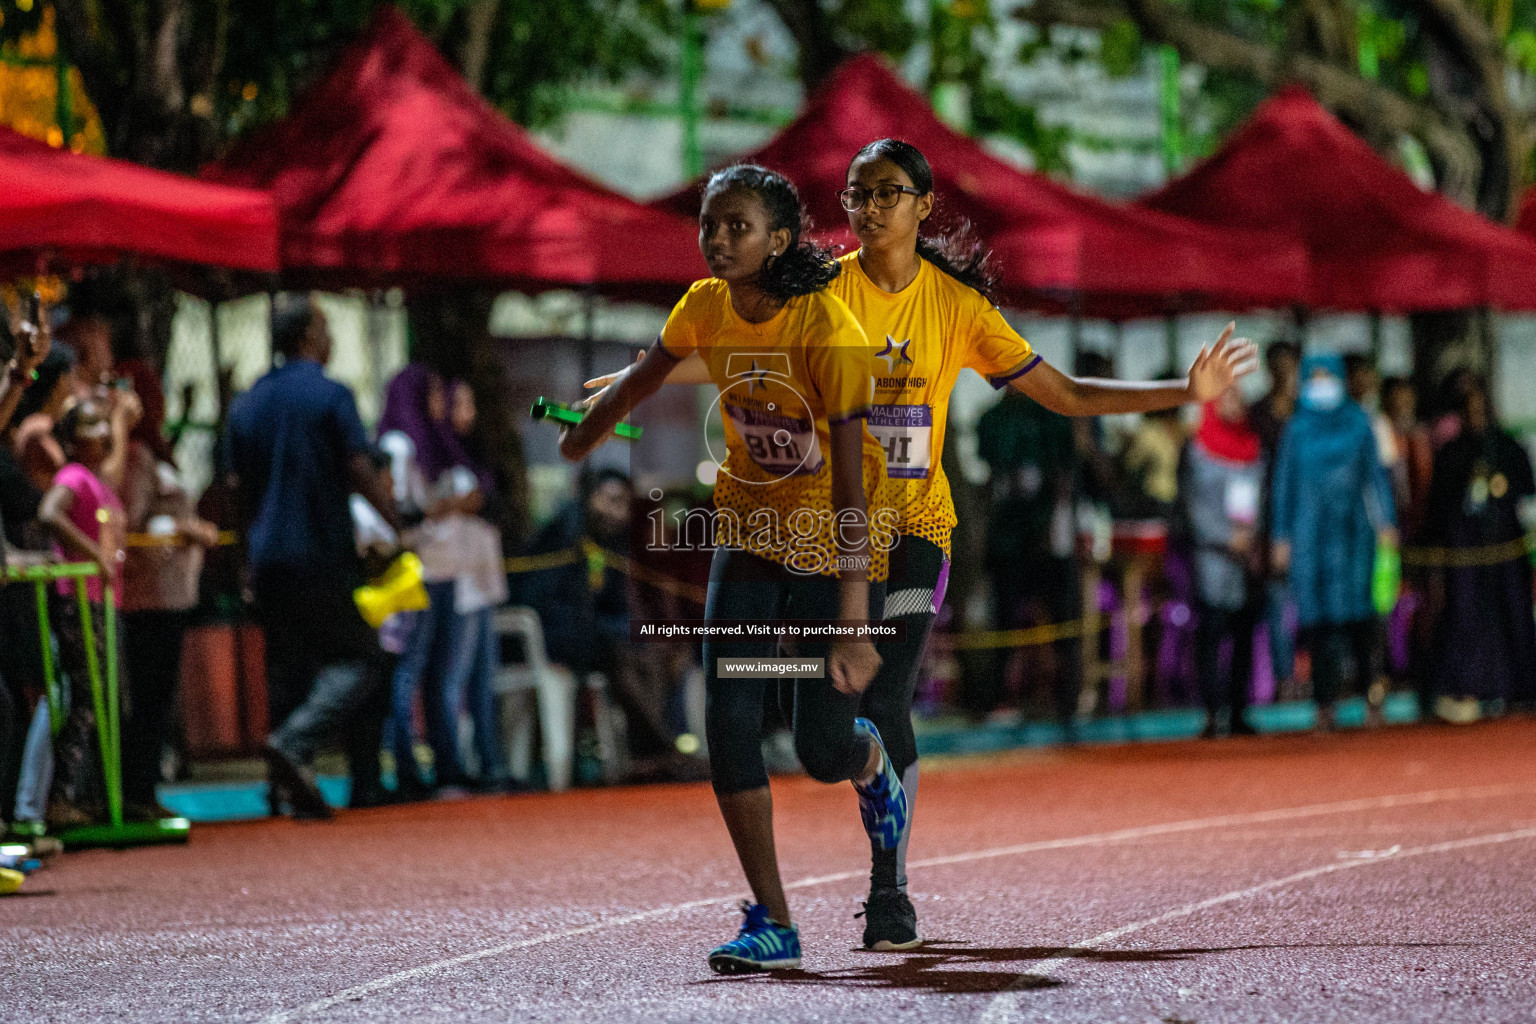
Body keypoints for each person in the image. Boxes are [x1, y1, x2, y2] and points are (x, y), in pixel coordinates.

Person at [816, 137, 1256, 951]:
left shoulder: (956, 308)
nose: (868, 207)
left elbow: (1068, 393)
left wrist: (1179, 392)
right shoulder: (818, 295)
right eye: (855, 192)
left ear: (921, 205)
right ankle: (864, 787)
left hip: (916, 533)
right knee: (822, 724)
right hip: (831, 534)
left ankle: (889, 889)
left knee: (887, 697)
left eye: (886, 193)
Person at [565, 164, 902, 974]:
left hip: (833, 542)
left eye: (737, 226)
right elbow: (645, 375)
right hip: (748, 532)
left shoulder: (831, 333)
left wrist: (855, 626)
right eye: (711, 224)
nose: (717, 239)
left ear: (779, 239)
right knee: (729, 709)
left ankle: (869, 761)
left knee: (819, 747)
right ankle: (774, 921)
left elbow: (854, 486)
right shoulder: (705, 305)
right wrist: (588, 430)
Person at [224, 294, 397, 820]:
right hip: (320, 550)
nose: (332, 338)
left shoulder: (248, 403)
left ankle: (282, 787)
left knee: (287, 669)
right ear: (307, 337)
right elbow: (359, 469)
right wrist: (397, 522)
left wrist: (242, 562)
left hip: (267, 557)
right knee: (363, 658)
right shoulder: (331, 394)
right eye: (325, 327)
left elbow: (236, 491)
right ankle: (302, 747)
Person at [377, 366, 507, 796]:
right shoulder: (399, 444)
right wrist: (451, 507)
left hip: (446, 570)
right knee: (409, 674)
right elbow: (396, 511)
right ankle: (408, 771)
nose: (442, 403)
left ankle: (445, 767)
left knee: (435, 676)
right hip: (417, 571)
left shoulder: (434, 443)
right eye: (434, 393)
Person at [1270, 353, 1397, 731]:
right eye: (1316, 377)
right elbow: (1284, 485)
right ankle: (1324, 704)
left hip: (1353, 534)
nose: (1322, 385)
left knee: (1360, 616)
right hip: (1309, 535)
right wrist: (1281, 535)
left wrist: (1386, 523)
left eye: (1329, 377)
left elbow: (1376, 477)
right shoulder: (1296, 429)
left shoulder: (1360, 423)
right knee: (1318, 622)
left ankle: (1371, 695)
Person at [37, 394, 139, 826]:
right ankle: (60, 797)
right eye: (91, 426)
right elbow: (49, 513)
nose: (102, 435)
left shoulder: (99, 480)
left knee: (109, 699)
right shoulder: (76, 475)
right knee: (88, 698)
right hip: (79, 599)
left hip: (102, 600)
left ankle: (93, 798)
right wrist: (92, 553)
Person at [119, 438, 219, 817]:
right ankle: (138, 792)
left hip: (168, 595)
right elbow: (132, 518)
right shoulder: (136, 455)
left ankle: (144, 789)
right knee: (150, 697)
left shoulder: (153, 453)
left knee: (158, 697)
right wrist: (184, 526)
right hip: (149, 596)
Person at [1422, 379, 1535, 710]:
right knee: (1465, 618)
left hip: (1507, 549)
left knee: (1513, 616)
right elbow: (1438, 505)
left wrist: (1505, 486)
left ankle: (1521, 689)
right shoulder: (1452, 453)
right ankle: (1467, 689)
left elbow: (1527, 486)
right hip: (1465, 553)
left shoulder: (1509, 447)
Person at [1177, 386, 1263, 738]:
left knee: (1244, 635)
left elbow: (1254, 498)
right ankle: (1213, 712)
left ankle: (1239, 709)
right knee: (1210, 634)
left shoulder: (1251, 448)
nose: (1236, 404)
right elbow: (1189, 503)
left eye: (1239, 398)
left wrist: (1247, 536)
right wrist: (1222, 537)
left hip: (1244, 558)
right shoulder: (1196, 448)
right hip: (1209, 556)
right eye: (1227, 398)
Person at [1249, 339, 1301, 699]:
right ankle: (1284, 678)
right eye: (1277, 367)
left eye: (1289, 367)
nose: (1283, 375)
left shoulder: (1308, 414)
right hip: (1269, 523)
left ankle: (1321, 675)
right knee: (1278, 601)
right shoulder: (1256, 416)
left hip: (1308, 519)